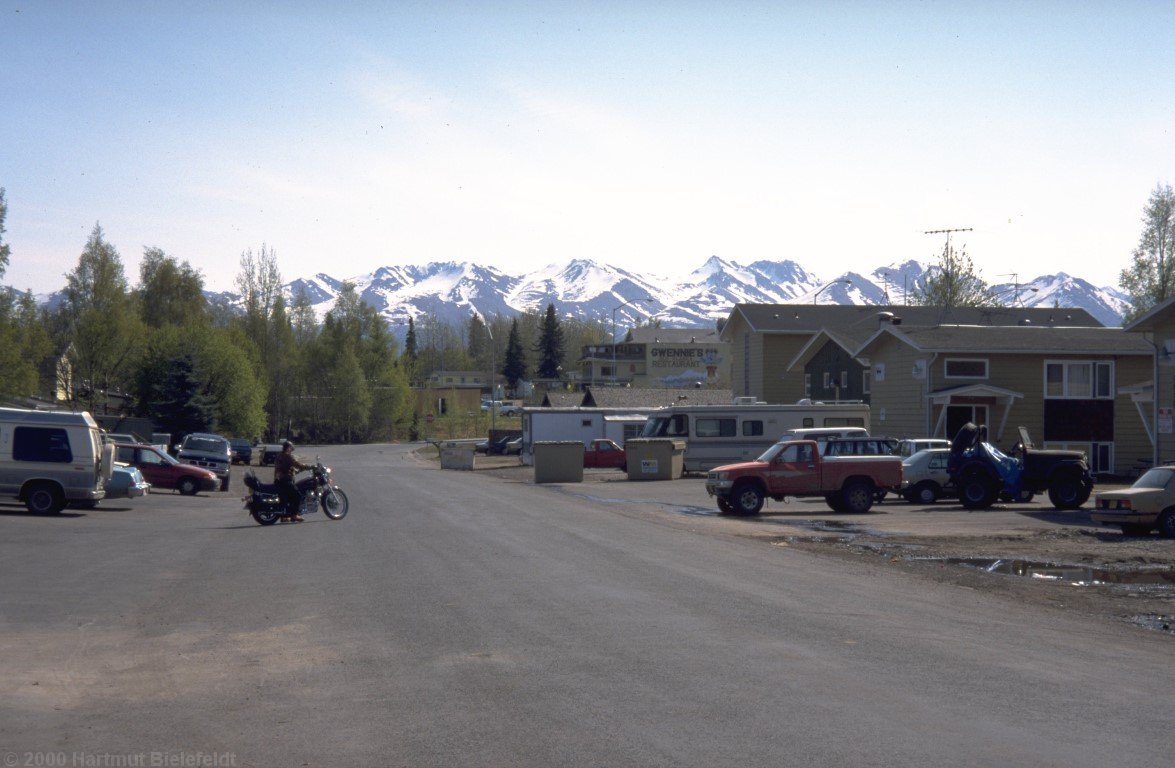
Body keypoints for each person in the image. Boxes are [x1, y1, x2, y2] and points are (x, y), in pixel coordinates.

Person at [274, 441, 307, 522]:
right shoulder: (287, 456)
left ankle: (284, 517)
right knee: (298, 495)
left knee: (286, 497)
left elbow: (286, 468)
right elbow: (296, 464)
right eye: (291, 447)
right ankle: (295, 515)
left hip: (279, 480)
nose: (291, 449)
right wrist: (307, 466)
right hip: (285, 480)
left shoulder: (279, 455)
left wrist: (296, 471)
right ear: (288, 448)